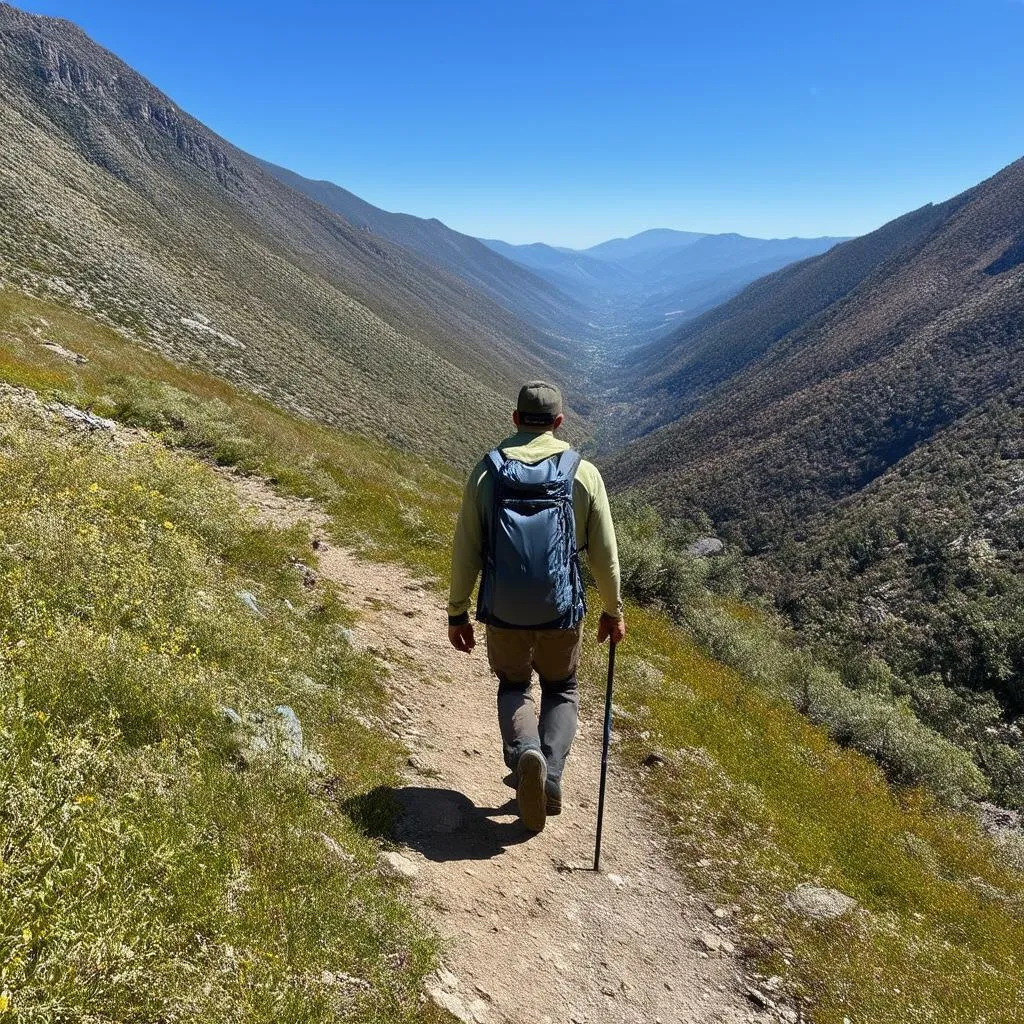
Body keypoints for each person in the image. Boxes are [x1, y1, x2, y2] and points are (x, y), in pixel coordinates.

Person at [447, 380, 626, 833]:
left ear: (515, 420)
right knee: (562, 688)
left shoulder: (487, 472)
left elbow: (466, 548)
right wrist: (613, 610)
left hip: (503, 611)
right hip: (560, 611)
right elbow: (604, 553)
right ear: (559, 423)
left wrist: (457, 612)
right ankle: (552, 773)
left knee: (513, 688)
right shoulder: (582, 473)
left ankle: (525, 751)